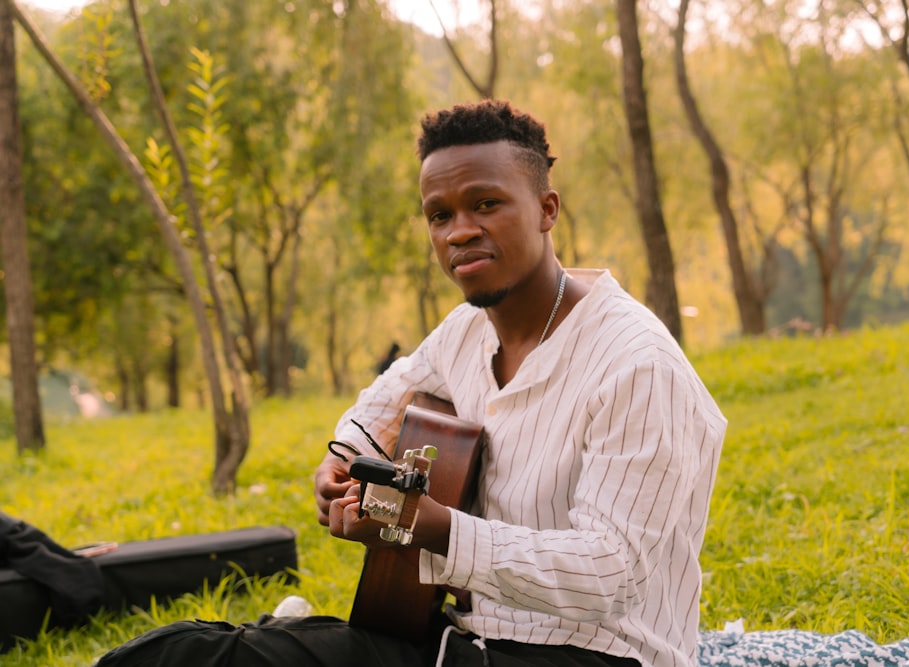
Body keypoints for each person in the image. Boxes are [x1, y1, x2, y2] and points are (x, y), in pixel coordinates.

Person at [95, 100, 726, 667]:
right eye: (438, 214)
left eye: (486, 204)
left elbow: (610, 573)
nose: (459, 231)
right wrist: (342, 459)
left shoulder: (637, 366)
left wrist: (434, 527)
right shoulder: (465, 332)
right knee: (194, 655)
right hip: (458, 638)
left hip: (599, 657)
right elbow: (381, 404)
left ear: (546, 211)